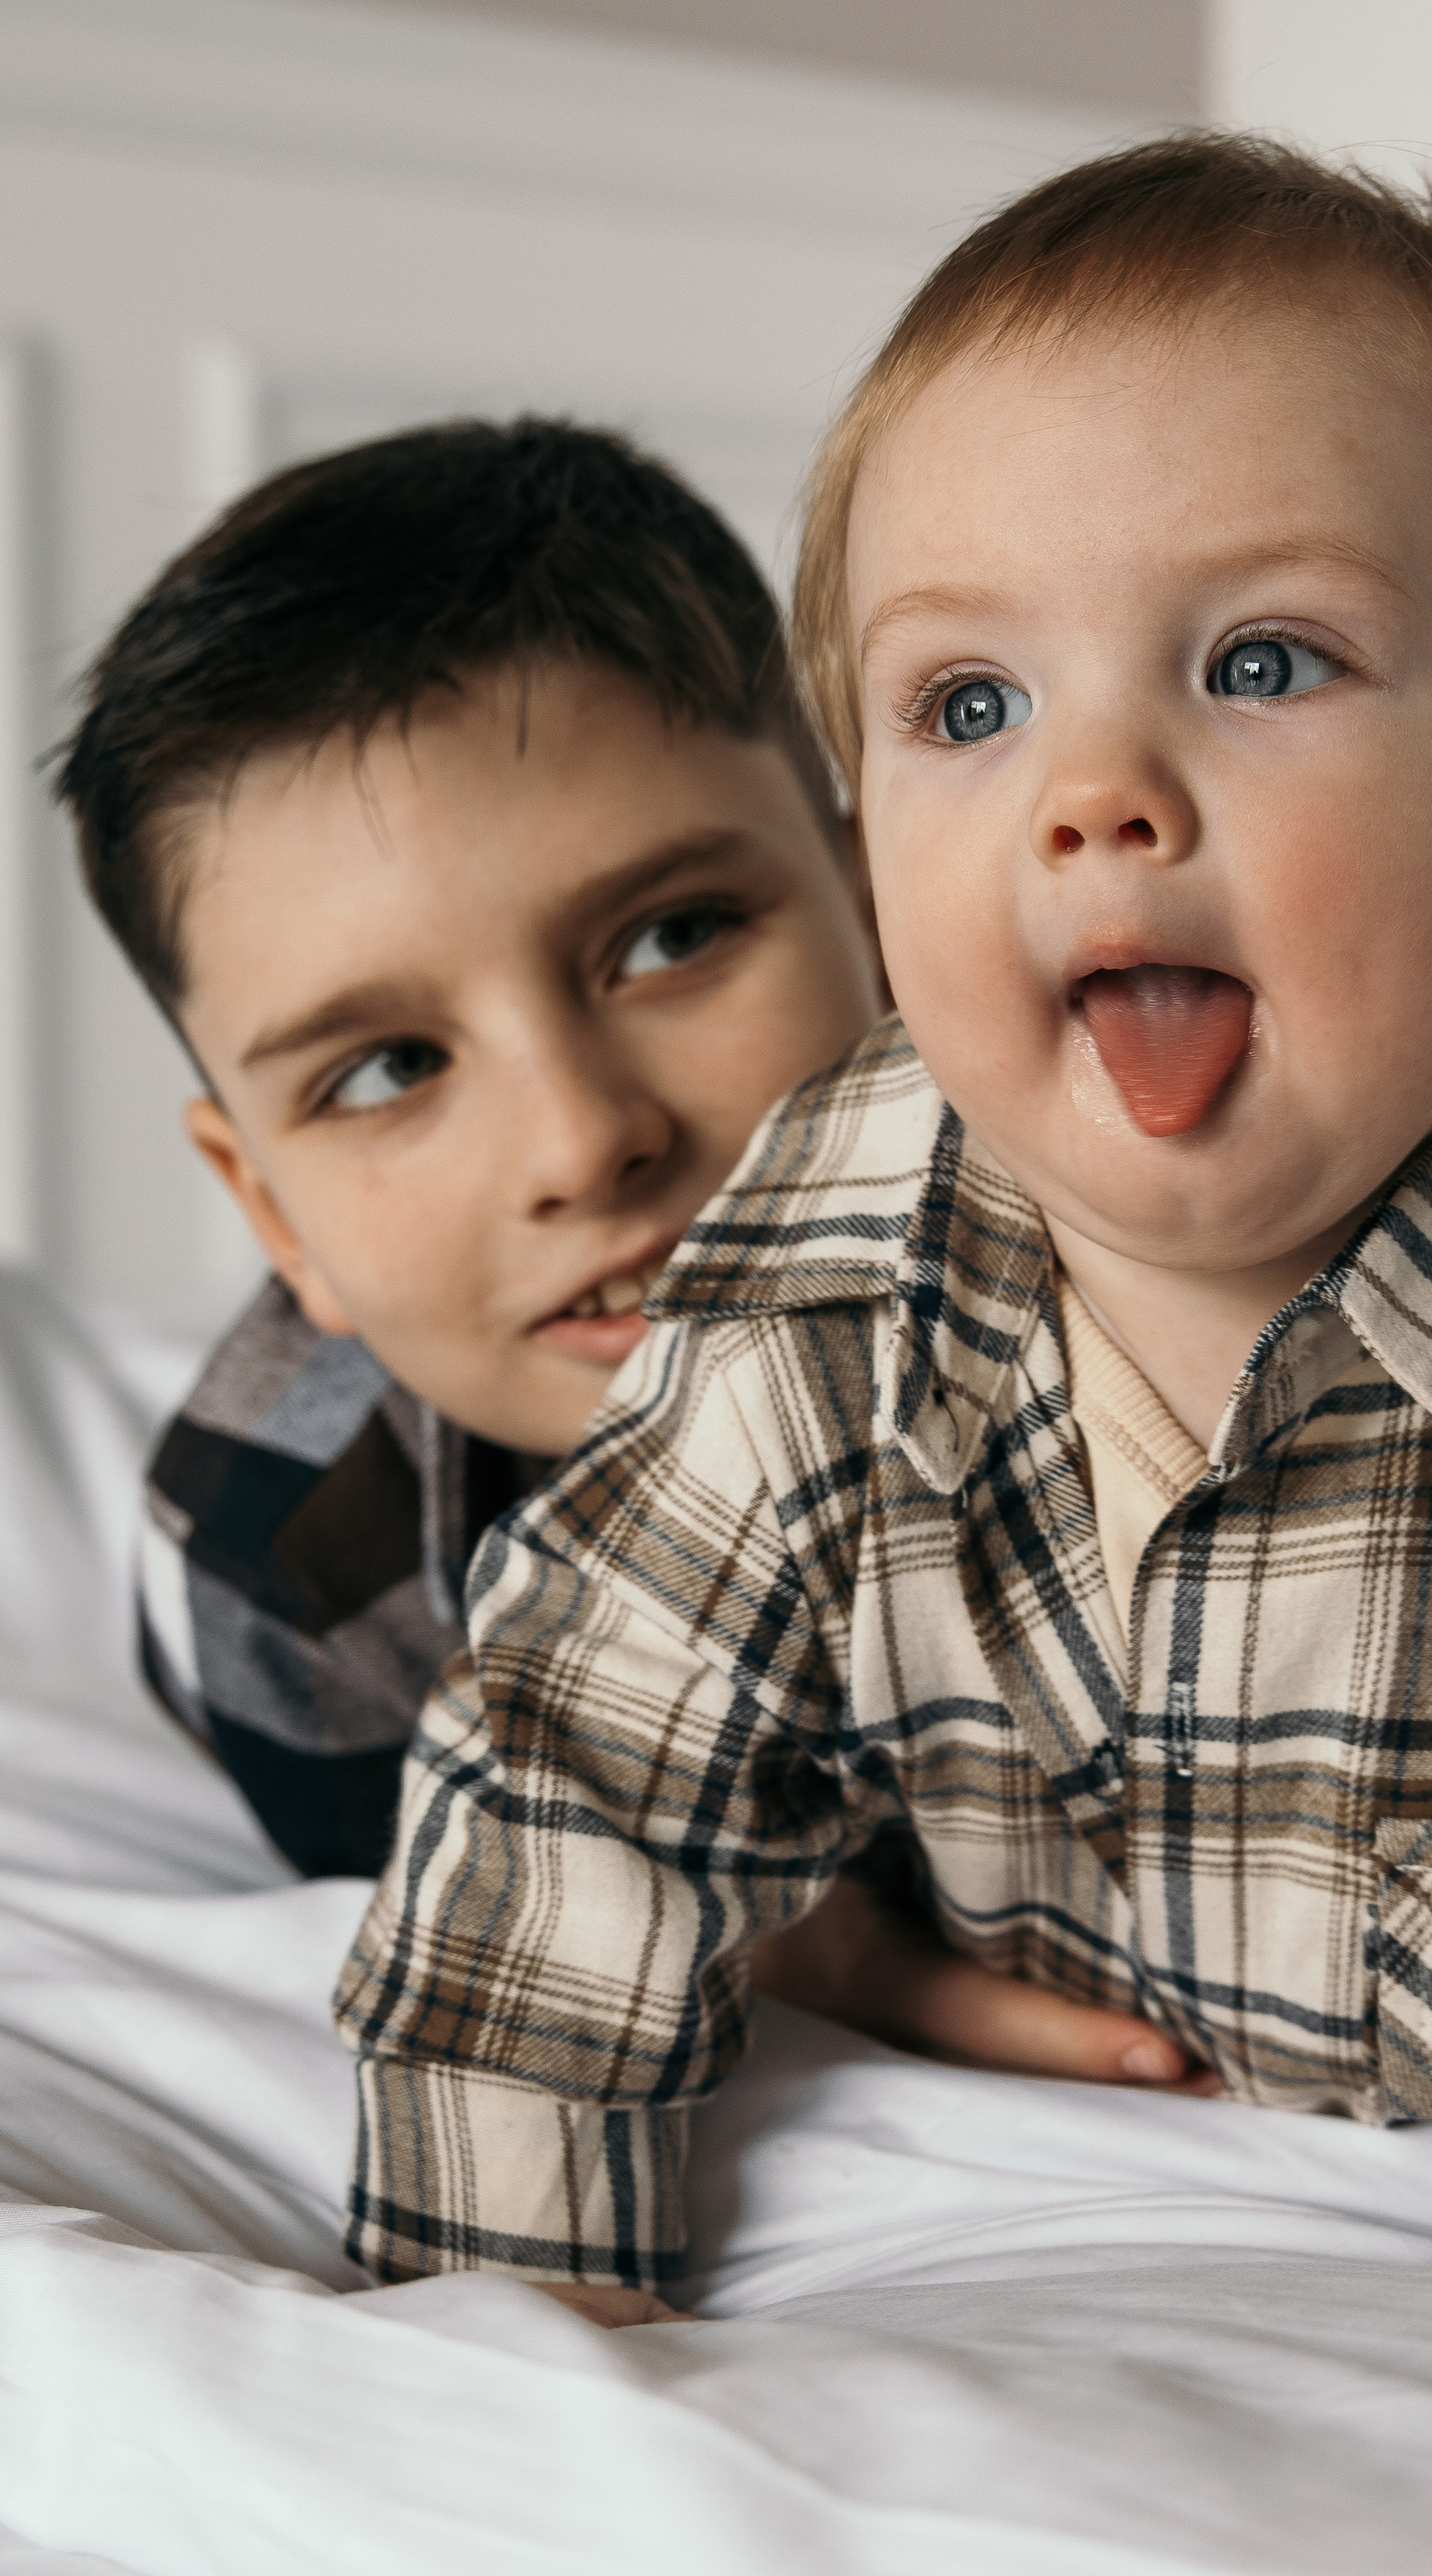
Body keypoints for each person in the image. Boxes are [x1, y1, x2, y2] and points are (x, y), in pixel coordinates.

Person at [336, 139, 1432, 2315]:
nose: (1096, 789)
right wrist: (495, 2361)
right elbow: (579, 1787)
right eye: (968, 705)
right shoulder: (831, 1254)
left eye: (1262, 662)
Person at [53, 416, 1201, 2100]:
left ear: (882, 902)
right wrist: (800, 1936)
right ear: (274, 1214)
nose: (583, 1139)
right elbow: (509, 1929)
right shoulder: (293, 1562)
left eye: (671, 939)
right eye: (386, 1068)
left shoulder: (1177, 1244)